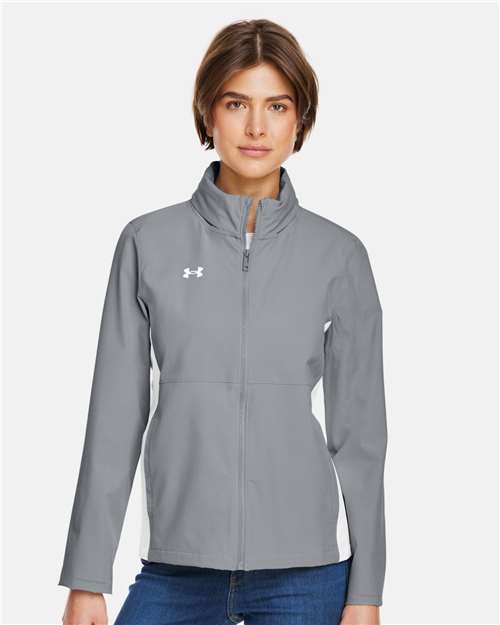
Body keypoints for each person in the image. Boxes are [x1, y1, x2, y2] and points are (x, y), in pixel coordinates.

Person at [59, 18, 388, 625]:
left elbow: (361, 439)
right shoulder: (148, 242)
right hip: (176, 571)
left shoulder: (339, 255)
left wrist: (365, 591)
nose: (257, 127)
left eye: (277, 106)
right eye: (237, 103)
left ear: (300, 119)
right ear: (207, 112)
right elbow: (114, 418)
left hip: (306, 577)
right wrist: (86, 578)